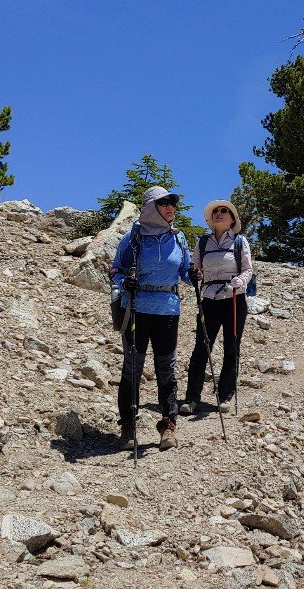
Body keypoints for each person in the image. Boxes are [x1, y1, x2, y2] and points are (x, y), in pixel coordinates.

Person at [109, 186, 191, 451]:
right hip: (136, 308)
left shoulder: (179, 238)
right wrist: (124, 282)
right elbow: (115, 270)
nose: (170, 207)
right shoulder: (132, 238)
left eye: (172, 203)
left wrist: (194, 275)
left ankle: (168, 426)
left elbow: (186, 272)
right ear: (150, 207)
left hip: (168, 310)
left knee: (166, 369)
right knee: (132, 368)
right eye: (163, 203)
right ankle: (128, 426)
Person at [179, 199, 253, 416]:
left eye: (224, 211)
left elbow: (248, 269)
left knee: (232, 347)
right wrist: (194, 273)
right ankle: (192, 398)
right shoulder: (203, 243)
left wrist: (241, 280)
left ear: (232, 219)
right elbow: (194, 267)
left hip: (234, 298)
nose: (219, 213)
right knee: (201, 348)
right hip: (209, 299)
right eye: (216, 212)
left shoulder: (240, 241)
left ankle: (225, 395)